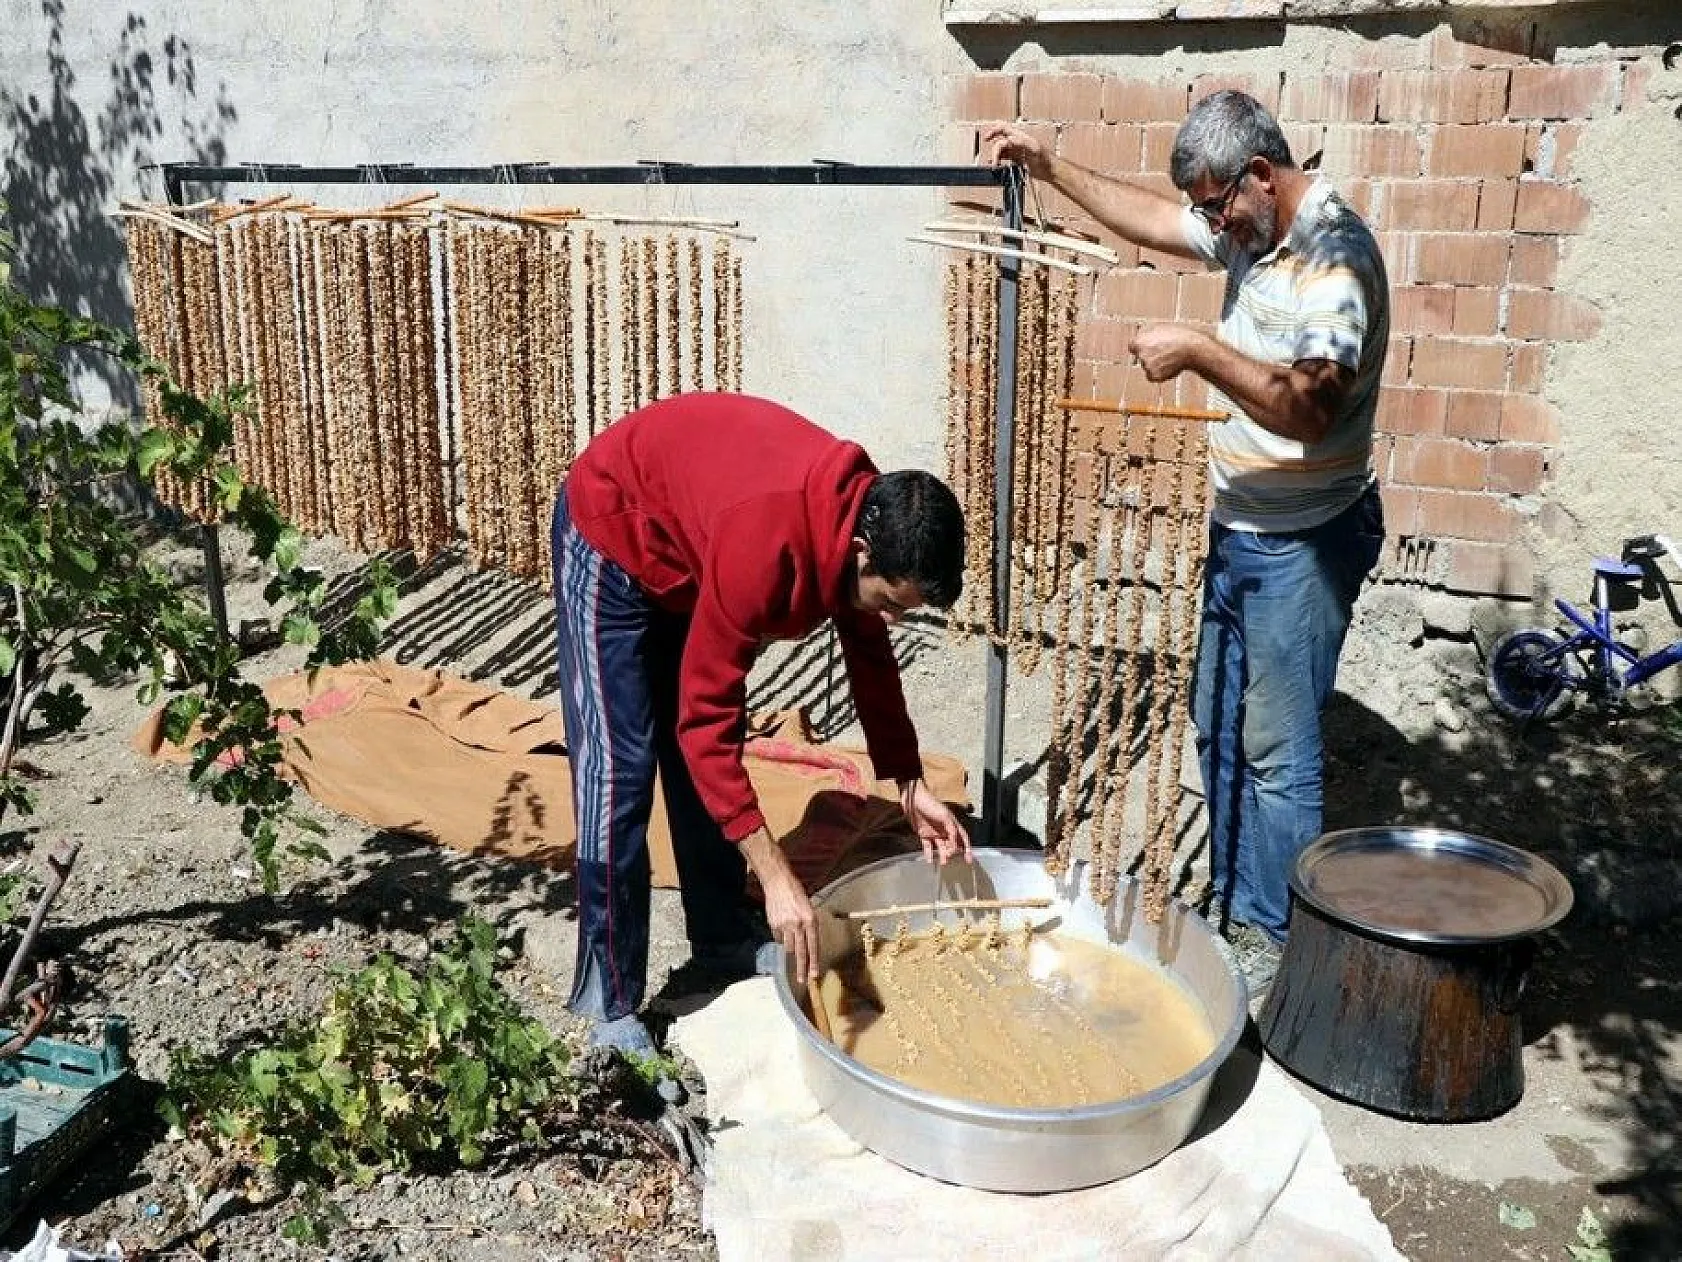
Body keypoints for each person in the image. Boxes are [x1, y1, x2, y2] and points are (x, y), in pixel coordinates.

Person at [983, 90, 1388, 1001]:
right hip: (1241, 528)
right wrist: (1049, 166)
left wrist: (1203, 351)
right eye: (1207, 210)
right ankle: (1239, 905)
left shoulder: (1334, 262)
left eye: (1218, 206)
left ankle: (1277, 942)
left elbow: (1312, 410)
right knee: (1216, 722)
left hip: (1302, 543)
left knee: (1279, 752)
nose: (1211, 226)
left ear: (1260, 175)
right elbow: (1156, 220)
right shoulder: (1252, 229)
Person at [552, 391, 971, 1052]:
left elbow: (870, 659)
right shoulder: (765, 548)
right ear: (862, 552)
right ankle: (608, 1006)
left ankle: (720, 940)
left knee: (699, 766)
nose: (891, 620)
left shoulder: (862, 517)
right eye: (892, 603)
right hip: (614, 533)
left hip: (691, 550)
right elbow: (704, 724)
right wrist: (776, 876)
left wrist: (909, 784)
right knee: (619, 769)